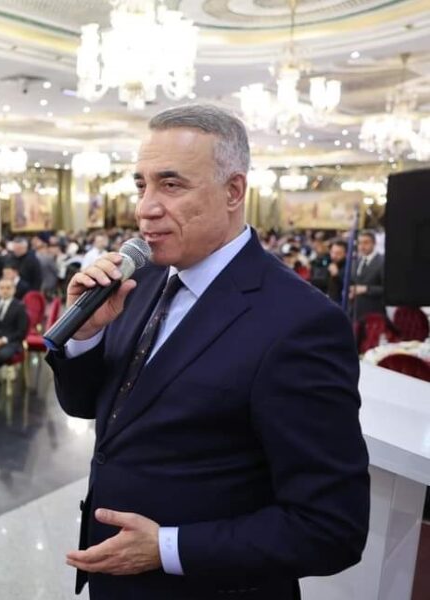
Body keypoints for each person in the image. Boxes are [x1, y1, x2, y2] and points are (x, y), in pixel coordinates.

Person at [47, 105, 368, 599]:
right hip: (116, 581)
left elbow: (332, 526)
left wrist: (167, 549)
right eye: (141, 185)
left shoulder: (300, 322)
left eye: (171, 185)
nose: (146, 208)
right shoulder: (140, 278)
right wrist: (85, 334)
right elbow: (92, 408)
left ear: (233, 191)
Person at [350, 230, 385, 321]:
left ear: (374, 243)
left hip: (374, 313)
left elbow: (387, 289)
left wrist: (366, 289)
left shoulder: (382, 262)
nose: (362, 246)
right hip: (355, 312)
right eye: (360, 243)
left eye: (366, 242)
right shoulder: (356, 261)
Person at [326, 239, 348, 305]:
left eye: (338, 253)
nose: (334, 256)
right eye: (332, 252)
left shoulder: (349, 267)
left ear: (346, 254)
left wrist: (337, 274)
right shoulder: (328, 262)